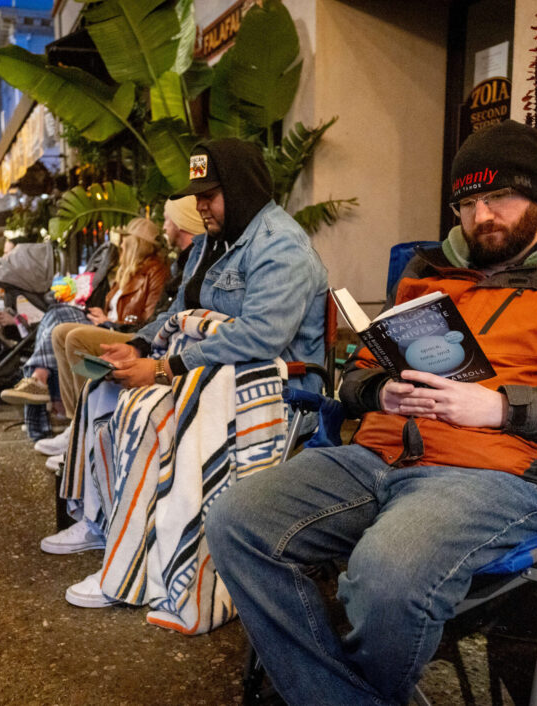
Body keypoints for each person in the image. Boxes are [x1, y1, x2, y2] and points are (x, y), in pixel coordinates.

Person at [203, 120, 537, 704]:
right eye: (468, 204)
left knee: (386, 578)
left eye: (499, 198)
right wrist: (379, 392)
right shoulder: (429, 268)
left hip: (495, 472)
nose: (482, 218)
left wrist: (503, 408)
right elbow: (358, 373)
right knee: (235, 520)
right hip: (375, 453)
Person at [42, 138, 329, 620]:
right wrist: (138, 345)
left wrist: (162, 368)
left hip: (276, 399)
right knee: (105, 387)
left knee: (146, 411)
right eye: (197, 196)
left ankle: (130, 572)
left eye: (209, 195)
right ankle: (104, 524)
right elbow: (179, 314)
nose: (200, 206)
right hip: (218, 377)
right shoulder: (217, 241)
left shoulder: (281, 247)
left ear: (240, 190)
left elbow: (260, 338)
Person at [37, 196, 204, 465]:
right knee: (61, 330)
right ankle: (77, 423)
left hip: (138, 333)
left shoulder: (159, 270)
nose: (121, 242)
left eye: (167, 219)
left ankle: (86, 430)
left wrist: (113, 325)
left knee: (75, 337)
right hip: (135, 331)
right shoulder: (137, 269)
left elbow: (154, 318)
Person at [0, 217, 169, 436]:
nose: (121, 246)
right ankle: (71, 421)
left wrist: (110, 322)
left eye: (125, 241)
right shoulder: (126, 273)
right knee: (58, 324)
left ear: (136, 244)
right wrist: (105, 315)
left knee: (59, 318)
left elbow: (149, 321)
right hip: (108, 325)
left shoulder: (155, 272)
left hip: (125, 333)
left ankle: (40, 381)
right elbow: (119, 309)